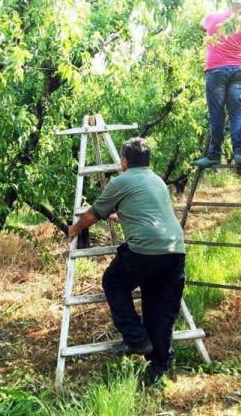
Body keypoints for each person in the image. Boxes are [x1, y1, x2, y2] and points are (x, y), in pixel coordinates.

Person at [67, 137, 186, 385]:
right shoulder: (157, 181)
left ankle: (136, 338)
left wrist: (75, 229)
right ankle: (159, 366)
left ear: (124, 161)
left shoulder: (121, 181)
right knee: (159, 308)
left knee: (113, 282)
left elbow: (92, 215)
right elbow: (147, 215)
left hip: (145, 251)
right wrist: (118, 215)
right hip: (175, 251)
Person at [193, 1, 241, 175]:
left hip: (217, 69)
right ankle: (239, 153)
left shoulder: (213, 17)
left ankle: (214, 154)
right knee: (236, 113)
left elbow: (202, 24)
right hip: (238, 70)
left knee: (217, 114)